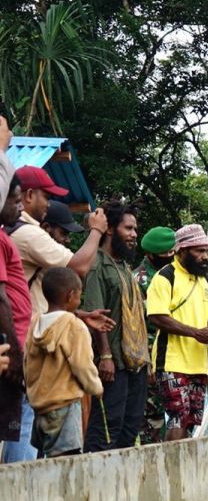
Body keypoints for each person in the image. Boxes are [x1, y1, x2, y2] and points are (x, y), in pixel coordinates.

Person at [146, 224, 208, 440]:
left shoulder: (206, 281)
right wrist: (196, 333)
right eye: (198, 251)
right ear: (181, 251)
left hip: (199, 364)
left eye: (206, 251)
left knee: (191, 422)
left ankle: (183, 471)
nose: (204, 257)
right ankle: (171, 472)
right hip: (171, 361)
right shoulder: (165, 277)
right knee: (178, 419)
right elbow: (156, 316)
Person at [81, 201, 150, 451]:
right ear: (110, 230)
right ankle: (93, 484)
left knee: (130, 427)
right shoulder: (97, 264)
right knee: (107, 426)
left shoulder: (124, 266)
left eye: (135, 230)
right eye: (128, 228)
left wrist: (146, 359)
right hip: (113, 363)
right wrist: (106, 355)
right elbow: (95, 313)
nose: (133, 235)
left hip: (135, 363)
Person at [25, 268, 103, 457]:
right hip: (65, 405)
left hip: (40, 406)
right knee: (66, 460)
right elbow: (82, 365)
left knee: (45, 459)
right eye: (79, 295)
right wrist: (96, 387)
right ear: (71, 296)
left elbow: (26, 362)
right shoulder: (73, 326)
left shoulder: (35, 323)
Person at [8, 166, 107, 315]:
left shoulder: (14, 228)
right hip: (25, 330)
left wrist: (81, 315)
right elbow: (80, 266)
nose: (48, 204)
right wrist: (97, 230)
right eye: (46, 197)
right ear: (29, 195)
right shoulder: (28, 234)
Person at [0, 137, 33, 460]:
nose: (20, 208)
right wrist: (16, 351)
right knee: (19, 425)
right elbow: (1, 298)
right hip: (10, 350)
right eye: (16, 200)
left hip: (14, 345)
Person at [134, 226, 175, 443]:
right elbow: (138, 325)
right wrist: (146, 359)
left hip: (173, 355)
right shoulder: (140, 280)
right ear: (150, 254)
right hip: (150, 354)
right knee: (152, 418)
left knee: (177, 417)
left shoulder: (173, 275)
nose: (170, 257)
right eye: (165, 255)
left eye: (172, 253)